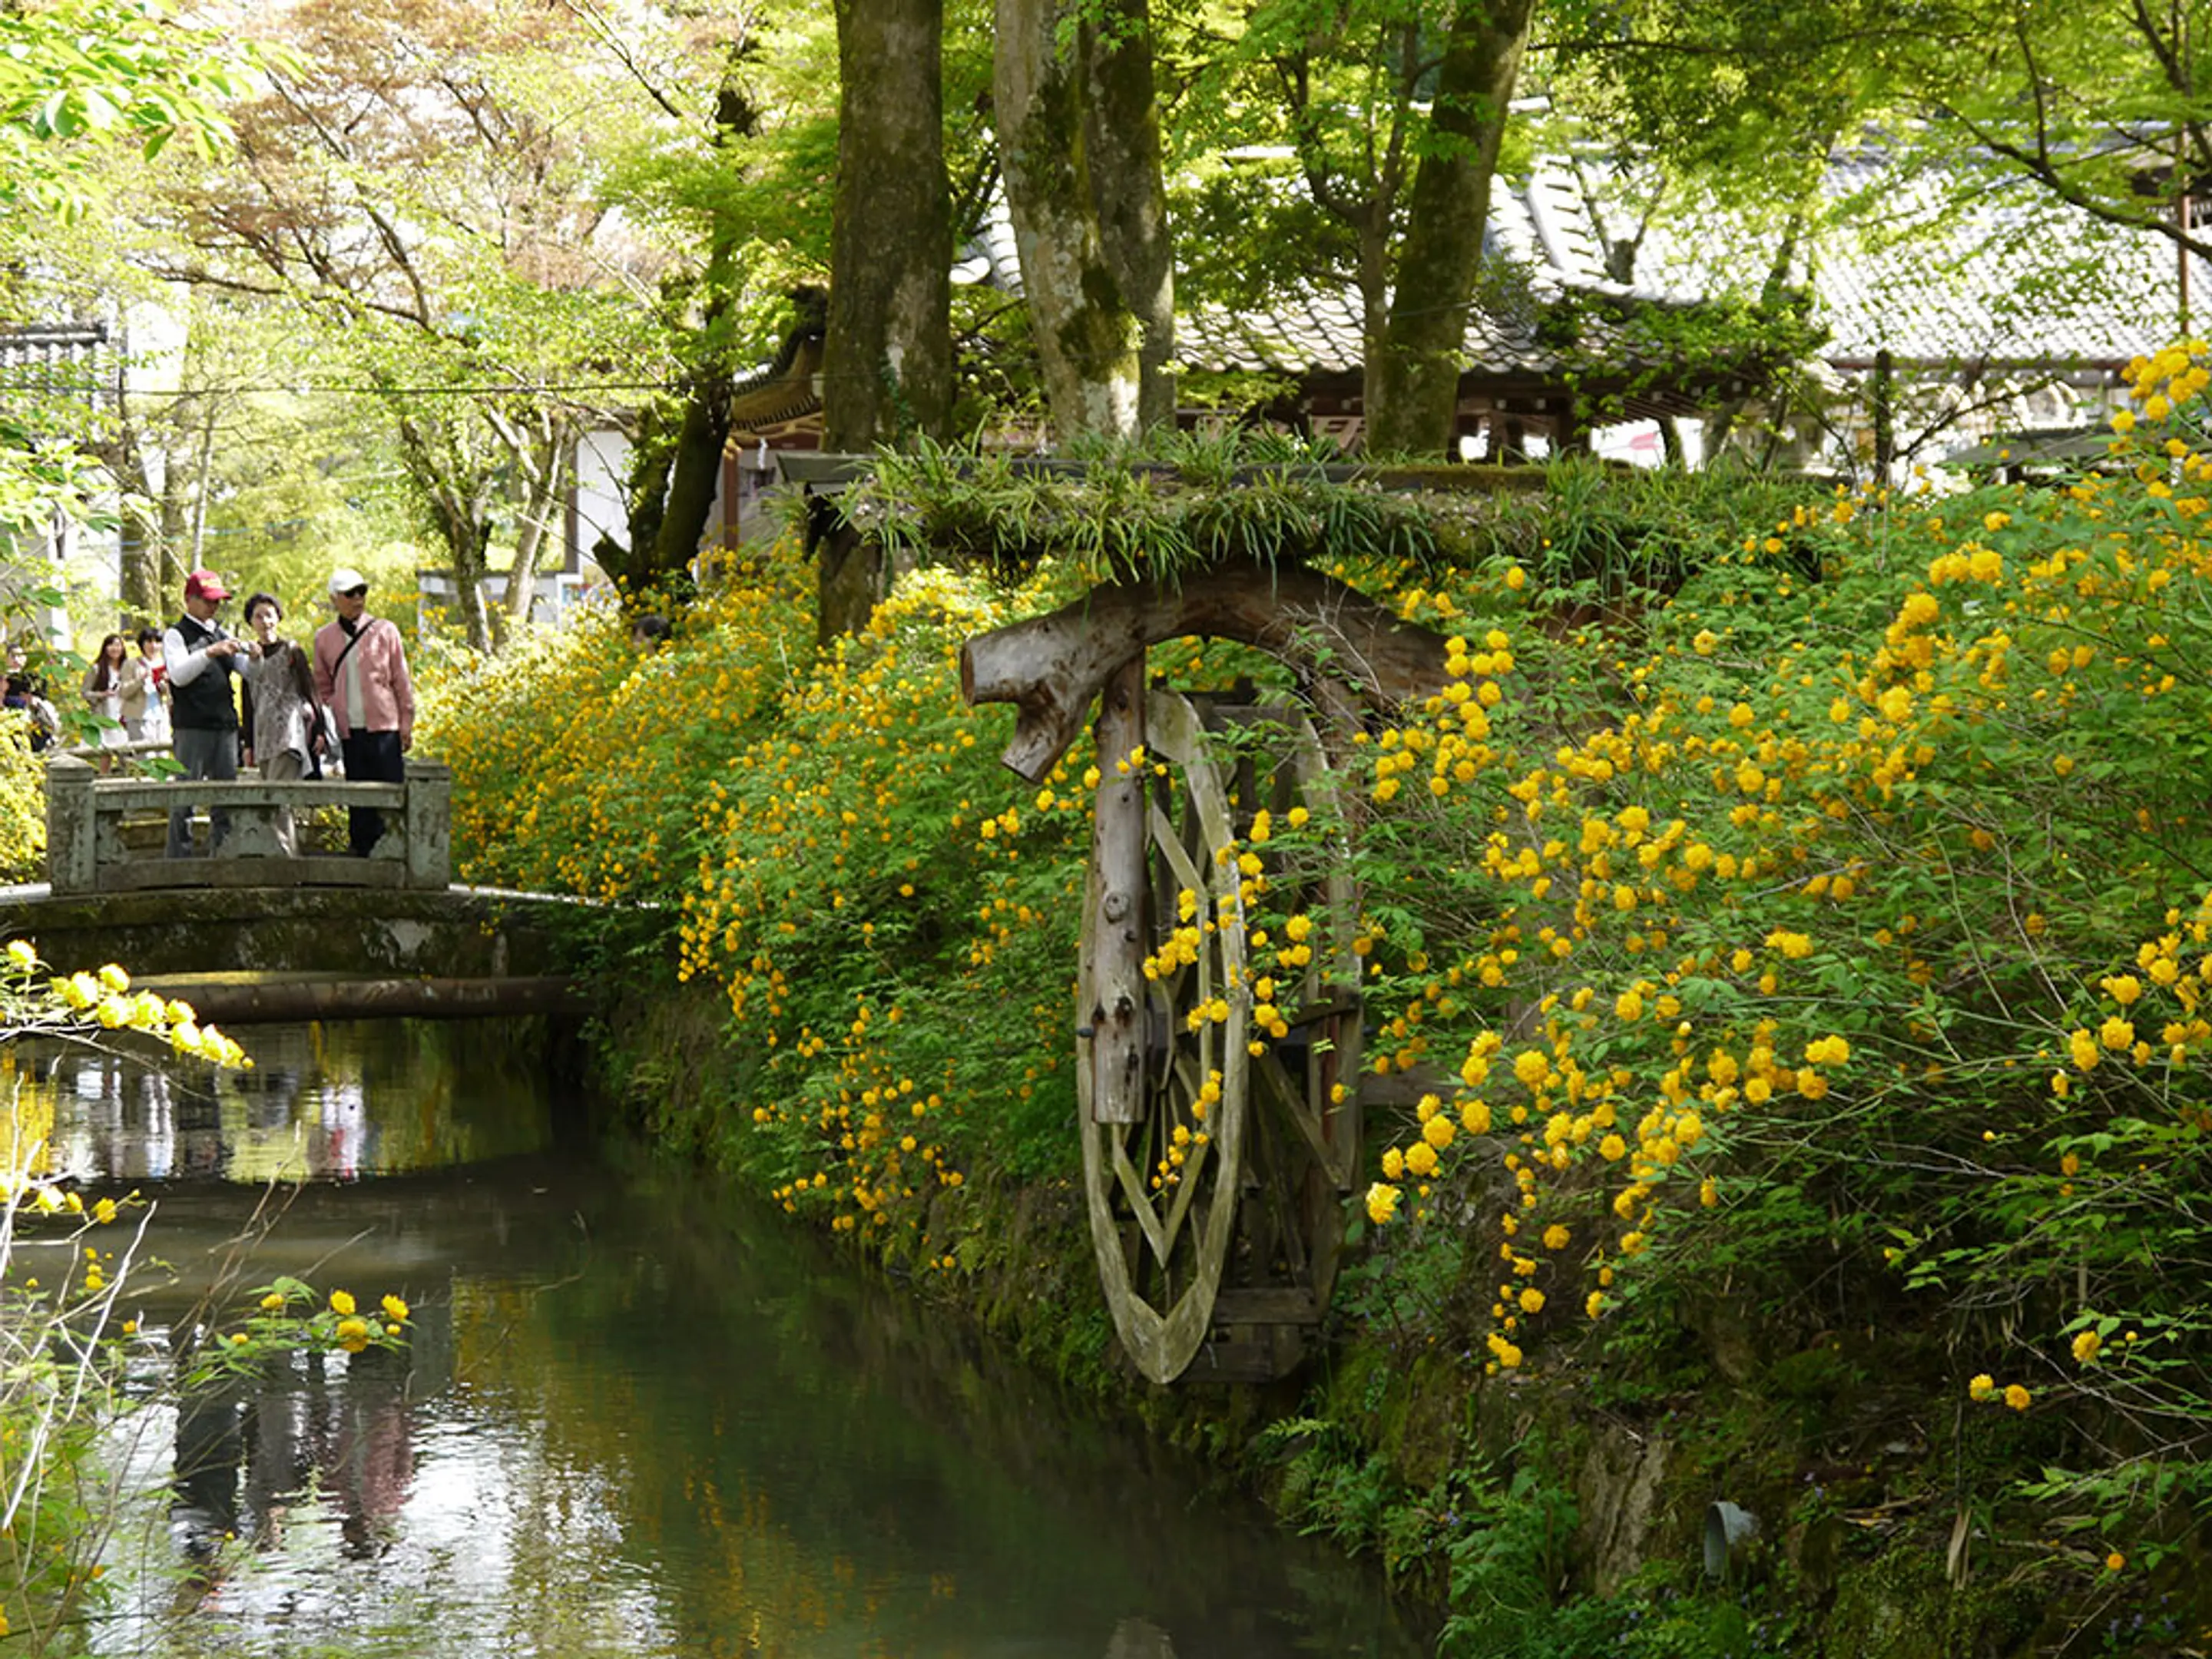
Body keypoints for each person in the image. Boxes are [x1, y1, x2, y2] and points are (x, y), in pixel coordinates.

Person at [312, 568, 415, 857]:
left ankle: (396, 850)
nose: (358, 599)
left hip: (385, 726)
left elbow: (401, 680)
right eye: (350, 594)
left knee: (390, 792)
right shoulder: (324, 638)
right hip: (349, 729)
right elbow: (321, 684)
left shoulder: (385, 630)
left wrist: (406, 722)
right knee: (358, 797)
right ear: (335, 599)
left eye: (362, 592)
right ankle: (361, 852)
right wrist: (334, 710)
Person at [163, 570, 257, 858]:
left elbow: (247, 671)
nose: (213, 607)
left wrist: (256, 655)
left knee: (226, 798)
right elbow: (178, 676)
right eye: (207, 601)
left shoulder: (221, 632)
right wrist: (210, 652)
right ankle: (179, 862)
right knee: (185, 798)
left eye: (217, 602)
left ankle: (224, 854)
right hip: (192, 726)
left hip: (225, 726)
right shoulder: (176, 634)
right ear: (189, 600)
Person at [240, 593, 325, 856]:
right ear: (250, 622)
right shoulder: (248, 656)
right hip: (263, 732)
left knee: (278, 797)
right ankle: (282, 855)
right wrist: (248, 743)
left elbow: (310, 690)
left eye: (269, 614)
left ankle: (286, 858)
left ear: (278, 618)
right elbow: (248, 702)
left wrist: (320, 730)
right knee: (272, 797)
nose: (265, 621)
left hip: (289, 732)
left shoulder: (292, 651)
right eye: (258, 616)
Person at [81, 633, 131, 764]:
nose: (115, 648)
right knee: (106, 751)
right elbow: (85, 692)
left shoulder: (127, 669)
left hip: (124, 715)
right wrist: (102, 695)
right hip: (105, 715)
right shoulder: (97, 669)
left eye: (118, 645)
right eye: (111, 645)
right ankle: (104, 779)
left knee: (126, 751)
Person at [131, 628, 170, 743]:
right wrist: (140, 680)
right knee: (145, 756)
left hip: (161, 716)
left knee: (163, 755)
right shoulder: (132, 664)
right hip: (140, 716)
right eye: (149, 642)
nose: (153, 646)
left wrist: (165, 685)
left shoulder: (167, 665)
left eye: (157, 642)